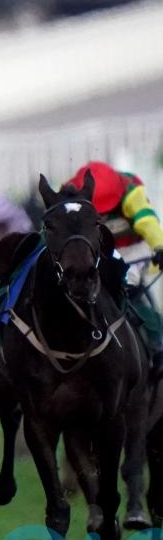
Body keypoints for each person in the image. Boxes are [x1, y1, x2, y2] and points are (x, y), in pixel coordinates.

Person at [67, 160, 163, 379]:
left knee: (129, 286)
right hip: (96, 251)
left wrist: (159, 246)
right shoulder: (70, 193)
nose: (103, 216)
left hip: (132, 248)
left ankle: (157, 346)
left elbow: (147, 222)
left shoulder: (131, 191)